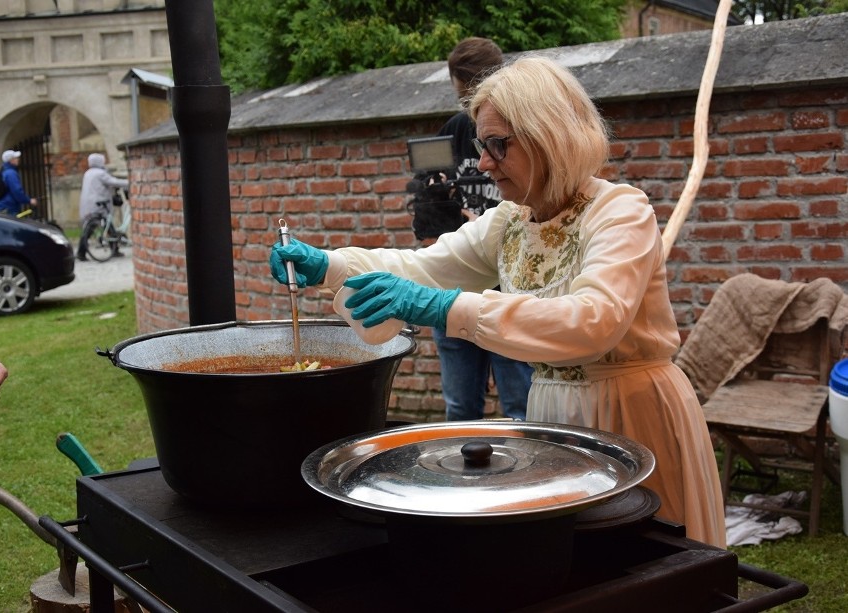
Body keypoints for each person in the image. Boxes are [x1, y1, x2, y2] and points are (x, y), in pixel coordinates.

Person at [269, 56, 726, 547]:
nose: (484, 162)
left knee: (651, 559)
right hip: (552, 412)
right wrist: (329, 264)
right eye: (482, 145)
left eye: (497, 145)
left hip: (633, 413)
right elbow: (424, 266)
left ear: (548, 135)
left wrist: (450, 309)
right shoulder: (510, 220)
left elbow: (592, 323)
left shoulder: (620, 212)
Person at [417, 37, 533, 422]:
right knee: (464, 409)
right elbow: (427, 209)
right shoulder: (450, 132)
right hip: (455, 297)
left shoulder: (525, 133)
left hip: (509, 297)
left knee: (520, 408)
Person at [77, 153, 129, 260]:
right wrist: (129, 182)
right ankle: (113, 250)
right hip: (98, 204)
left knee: (92, 228)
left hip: (88, 204)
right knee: (103, 226)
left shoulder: (88, 173)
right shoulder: (100, 173)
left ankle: (81, 253)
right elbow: (113, 182)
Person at [0, 150, 37, 216]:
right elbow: (17, 191)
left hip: (2, 206)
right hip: (8, 208)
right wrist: (29, 200)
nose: (18, 159)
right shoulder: (11, 173)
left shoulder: (4, 170)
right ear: (11, 160)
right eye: (15, 158)